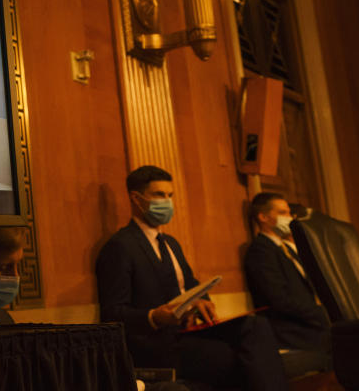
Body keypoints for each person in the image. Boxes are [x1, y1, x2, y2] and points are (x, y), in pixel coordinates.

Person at [96, 165, 287, 390]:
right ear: (136, 199)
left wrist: (201, 301)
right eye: (159, 195)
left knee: (256, 326)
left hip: (187, 333)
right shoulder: (120, 246)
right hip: (156, 344)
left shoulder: (171, 244)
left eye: (170, 195)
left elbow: (191, 285)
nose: (167, 202)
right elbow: (112, 313)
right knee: (235, 358)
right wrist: (154, 316)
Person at [244, 192, 330, 359]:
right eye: (282, 213)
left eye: (289, 213)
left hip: (311, 325)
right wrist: (322, 314)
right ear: (263, 217)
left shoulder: (286, 248)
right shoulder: (261, 250)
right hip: (290, 332)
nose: (289, 217)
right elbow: (279, 299)